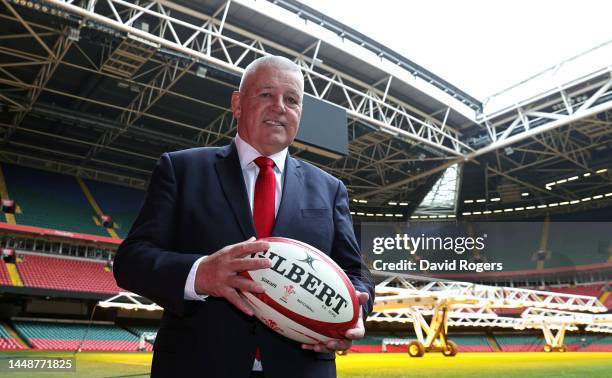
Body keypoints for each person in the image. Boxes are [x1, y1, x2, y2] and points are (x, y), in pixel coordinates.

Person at [113, 55, 375, 378]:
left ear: (300, 114)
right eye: (266, 94)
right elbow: (130, 261)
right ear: (237, 104)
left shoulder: (330, 188)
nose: (280, 106)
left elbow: (356, 273)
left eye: (291, 99)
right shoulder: (181, 170)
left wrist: (352, 313)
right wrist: (200, 274)